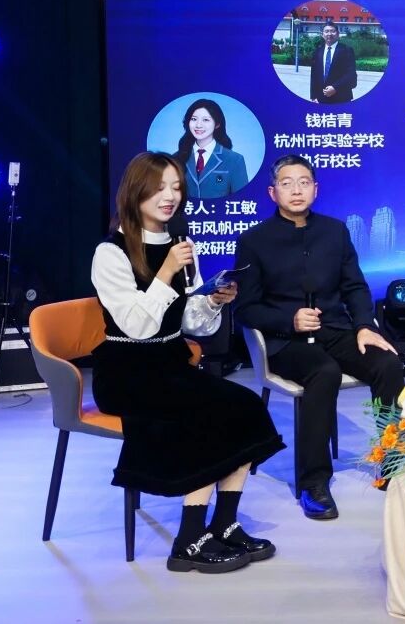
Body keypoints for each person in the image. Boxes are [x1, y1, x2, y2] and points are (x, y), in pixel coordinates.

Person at [91, 152, 284, 573]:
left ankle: (225, 523)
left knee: (246, 405)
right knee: (205, 415)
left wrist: (213, 301)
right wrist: (165, 273)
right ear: (135, 191)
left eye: (177, 187)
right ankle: (189, 539)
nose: (170, 196)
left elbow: (189, 323)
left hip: (170, 362)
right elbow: (137, 326)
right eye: (159, 187)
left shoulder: (180, 246)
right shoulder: (111, 252)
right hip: (127, 370)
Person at [234, 154, 405, 520]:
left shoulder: (335, 232)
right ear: (273, 192)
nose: (296, 190)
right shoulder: (253, 241)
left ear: (315, 189)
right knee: (323, 372)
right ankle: (313, 482)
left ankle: (392, 463)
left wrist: (365, 326)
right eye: (287, 183)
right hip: (285, 341)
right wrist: (290, 320)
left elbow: (355, 287)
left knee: (388, 364)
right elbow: (245, 309)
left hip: (337, 331)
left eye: (304, 182)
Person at [172, 98, 249, 199]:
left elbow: (242, 199)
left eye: (206, 120)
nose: (198, 125)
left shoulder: (235, 160)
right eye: (194, 119)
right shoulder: (175, 159)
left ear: (217, 124)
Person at [309, 21, 358, 104]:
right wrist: (313, 97)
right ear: (322, 34)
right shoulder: (317, 51)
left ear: (338, 34)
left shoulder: (347, 50)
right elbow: (314, 75)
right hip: (321, 98)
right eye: (326, 31)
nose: (329, 34)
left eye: (332, 31)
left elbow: (351, 75)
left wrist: (335, 88)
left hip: (341, 98)